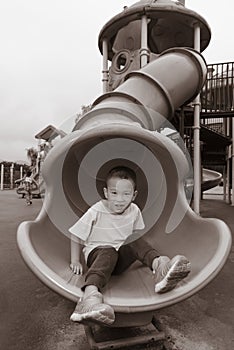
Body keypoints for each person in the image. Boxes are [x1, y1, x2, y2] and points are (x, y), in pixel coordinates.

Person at [69, 166, 191, 325]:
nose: (119, 199)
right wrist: (75, 260)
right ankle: (89, 297)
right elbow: (75, 233)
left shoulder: (134, 210)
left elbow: (138, 238)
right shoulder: (97, 210)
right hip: (98, 256)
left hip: (119, 260)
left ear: (134, 195)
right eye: (114, 193)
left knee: (133, 238)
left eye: (126, 194)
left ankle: (160, 268)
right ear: (106, 193)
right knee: (108, 251)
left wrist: (145, 256)